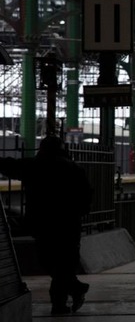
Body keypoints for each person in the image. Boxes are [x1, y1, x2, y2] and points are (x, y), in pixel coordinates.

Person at [0, 135, 92, 315]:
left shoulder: (34, 166)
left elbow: (9, 166)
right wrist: (79, 213)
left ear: (41, 149)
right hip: (68, 224)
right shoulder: (74, 168)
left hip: (41, 223)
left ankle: (65, 299)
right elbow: (86, 195)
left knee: (48, 260)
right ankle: (67, 296)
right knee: (64, 263)